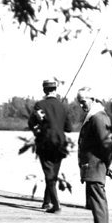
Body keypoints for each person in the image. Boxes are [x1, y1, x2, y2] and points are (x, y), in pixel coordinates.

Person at [75, 87, 112, 223]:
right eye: (79, 102)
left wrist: (111, 164)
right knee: (96, 202)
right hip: (92, 166)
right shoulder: (95, 115)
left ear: (93, 99)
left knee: (98, 202)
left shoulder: (98, 117)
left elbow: (107, 143)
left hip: (95, 166)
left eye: (83, 101)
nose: (81, 105)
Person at [27, 78, 71, 212]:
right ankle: (47, 202)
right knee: (53, 174)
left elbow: (31, 123)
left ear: (44, 90)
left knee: (48, 174)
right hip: (60, 144)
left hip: (45, 143)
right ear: (55, 89)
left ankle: (56, 205)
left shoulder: (40, 105)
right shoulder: (63, 106)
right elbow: (68, 128)